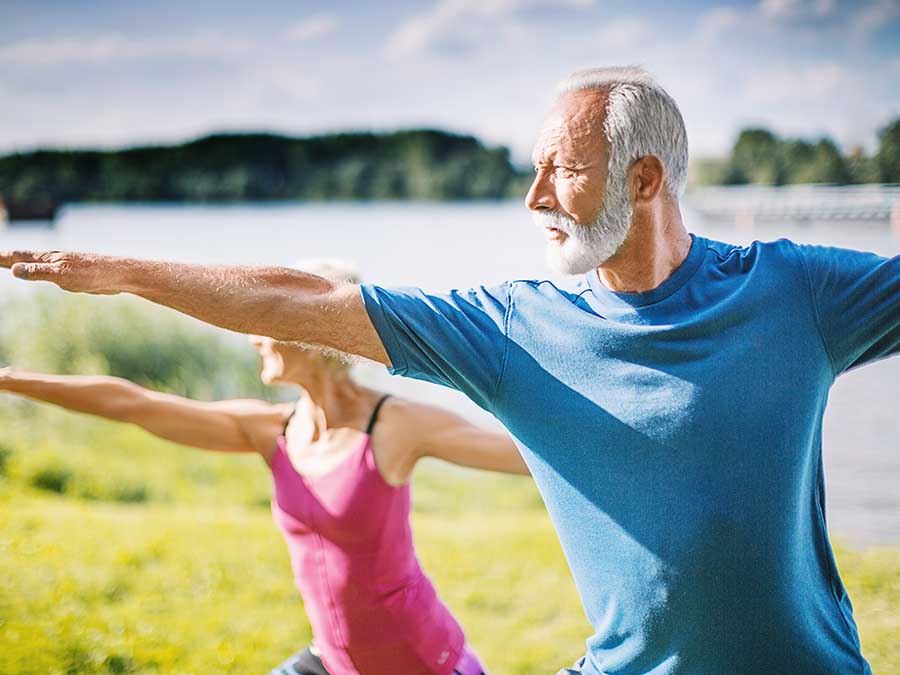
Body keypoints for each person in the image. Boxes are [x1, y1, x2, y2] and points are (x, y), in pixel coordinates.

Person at [2, 65, 897, 674]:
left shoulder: (795, 292)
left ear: (647, 178)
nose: (535, 197)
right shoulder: (514, 327)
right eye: (534, 167)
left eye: (565, 170)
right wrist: (121, 273)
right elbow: (297, 299)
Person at [0, 261, 530, 675]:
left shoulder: (394, 426)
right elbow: (135, 404)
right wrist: (10, 379)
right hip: (334, 661)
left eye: (263, 322)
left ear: (314, 332)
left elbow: (526, 458)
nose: (252, 336)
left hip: (419, 663)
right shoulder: (272, 430)